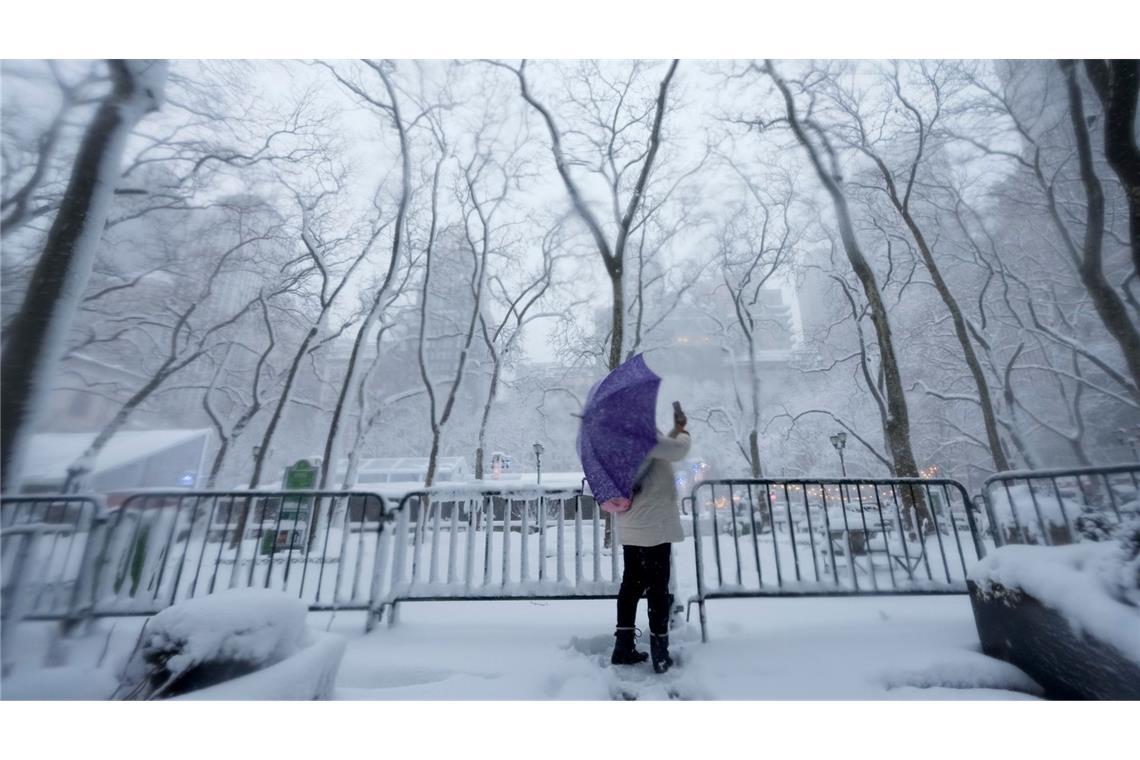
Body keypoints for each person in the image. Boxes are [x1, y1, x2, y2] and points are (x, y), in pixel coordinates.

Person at [610, 401, 690, 673]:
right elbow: (677, 450)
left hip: (632, 524)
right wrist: (683, 432)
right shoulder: (641, 433)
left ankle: (623, 647)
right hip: (652, 525)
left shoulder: (619, 439)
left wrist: (673, 429)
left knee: (631, 584)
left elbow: (659, 452)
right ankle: (660, 653)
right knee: (657, 587)